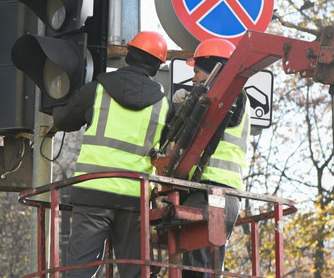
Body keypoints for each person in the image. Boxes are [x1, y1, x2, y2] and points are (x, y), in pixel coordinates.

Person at [52, 31, 170, 278]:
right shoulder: (163, 105)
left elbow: (63, 119)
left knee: (80, 270)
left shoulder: (96, 90)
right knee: (136, 272)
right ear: (157, 66)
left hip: (93, 191)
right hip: (134, 197)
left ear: (128, 55)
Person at [172, 38, 250, 278]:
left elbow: (210, 115)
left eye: (196, 71)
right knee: (211, 267)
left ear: (212, 69)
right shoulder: (237, 98)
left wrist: (185, 101)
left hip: (208, 192)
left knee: (197, 268)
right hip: (226, 196)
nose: (193, 78)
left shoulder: (230, 96)